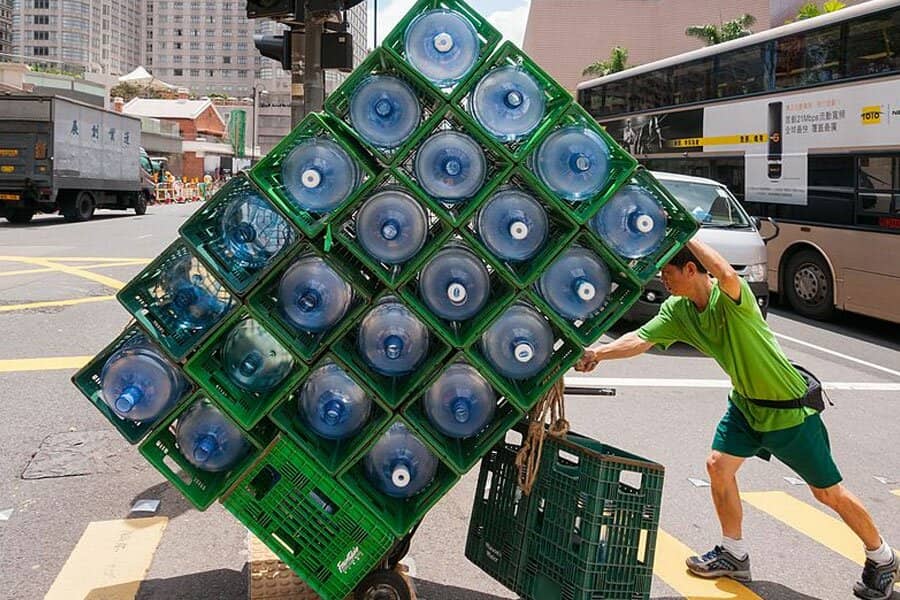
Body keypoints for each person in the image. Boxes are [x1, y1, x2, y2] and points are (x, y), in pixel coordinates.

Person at [575, 238, 897, 600]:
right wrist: (598, 353)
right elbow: (640, 339)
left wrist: (687, 235)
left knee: (827, 493)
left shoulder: (731, 299)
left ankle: (882, 557)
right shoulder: (677, 311)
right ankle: (734, 552)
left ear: (691, 269)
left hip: (788, 410)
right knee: (717, 466)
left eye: (668, 272)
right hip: (746, 406)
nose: (663, 279)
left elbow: (726, 272)